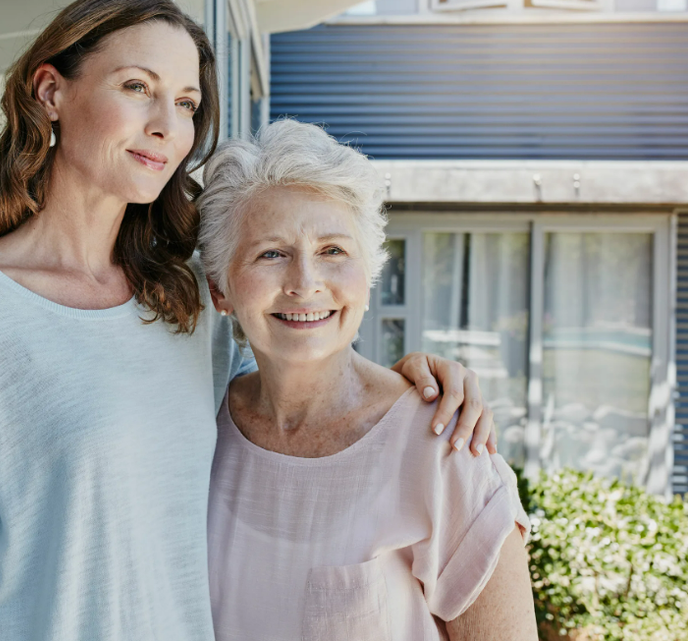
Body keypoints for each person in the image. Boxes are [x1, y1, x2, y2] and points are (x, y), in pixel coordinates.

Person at [0, 0, 497, 641]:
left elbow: (301, 390)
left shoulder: (189, 303)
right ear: (51, 92)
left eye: (187, 102)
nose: (168, 125)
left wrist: (416, 381)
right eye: (138, 87)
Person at [199, 120, 536, 641]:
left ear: (368, 272)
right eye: (271, 253)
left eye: (333, 251)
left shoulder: (445, 444)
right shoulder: (198, 433)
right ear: (220, 289)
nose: (305, 283)